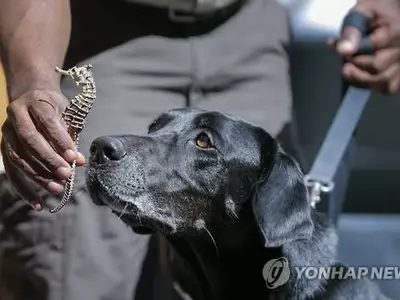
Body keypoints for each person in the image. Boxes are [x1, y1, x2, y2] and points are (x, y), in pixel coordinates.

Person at [0, 0, 399, 299]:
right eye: (156, 131)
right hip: (102, 24)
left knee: (268, 243)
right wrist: (36, 81)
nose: (113, 146)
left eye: (202, 143)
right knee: (74, 263)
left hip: (249, 23)